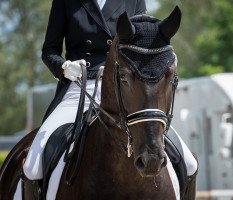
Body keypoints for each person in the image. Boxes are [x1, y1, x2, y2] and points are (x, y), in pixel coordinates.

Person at [14, 0, 198, 199]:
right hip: (80, 86)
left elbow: (145, 39)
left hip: (128, 86)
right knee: (33, 165)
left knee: (189, 163)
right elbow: (49, 51)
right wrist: (65, 68)